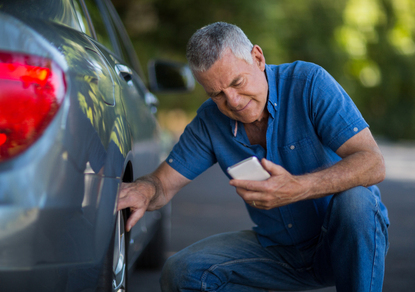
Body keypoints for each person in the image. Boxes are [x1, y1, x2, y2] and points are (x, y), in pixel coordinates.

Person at [118, 21, 389, 292]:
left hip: (343, 243)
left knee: (357, 201)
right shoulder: (210, 121)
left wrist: (299, 187)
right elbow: (162, 184)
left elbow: (372, 162)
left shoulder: (309, 83)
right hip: (278, 253)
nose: (233, 101)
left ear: (258, 58)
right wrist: (143, 190)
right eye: (217, 95)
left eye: (237, 82)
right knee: (181, 272)